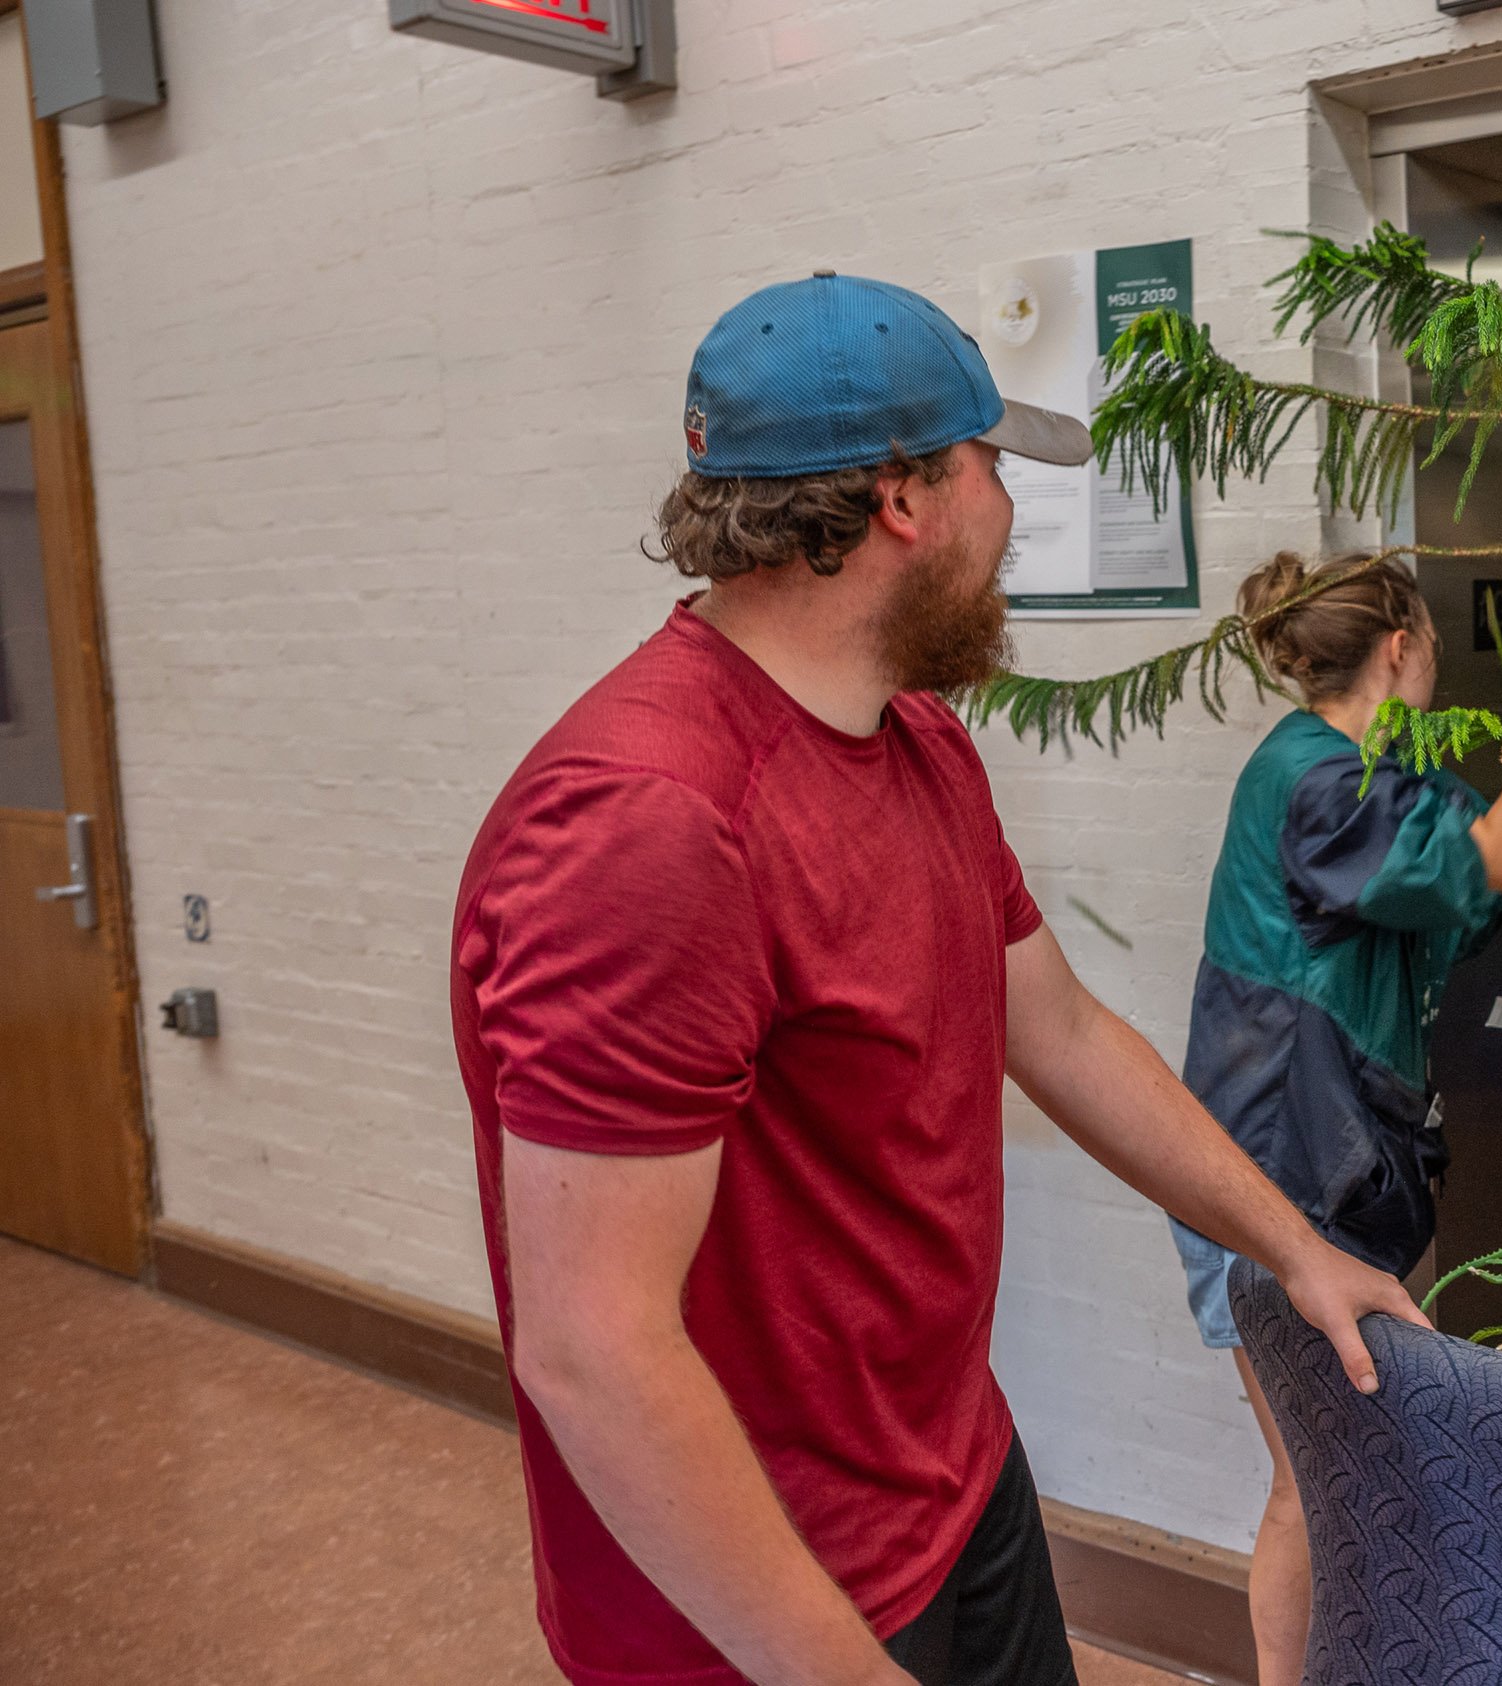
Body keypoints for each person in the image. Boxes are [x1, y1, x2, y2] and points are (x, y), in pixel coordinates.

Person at [451, 273, 1425, 1686]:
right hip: (762, 1599)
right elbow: (594, 1350)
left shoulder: (917, 739)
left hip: (952, 1476)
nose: (1011, 517)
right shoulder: (651, 821)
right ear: (906, 499)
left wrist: (1295, 1250)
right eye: (993, 473)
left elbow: (1066, 1031)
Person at [1172, 553, 1502, 1683]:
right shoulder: (1316, 782)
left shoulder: (1380, 781)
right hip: (1277, 1185)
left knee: (1377, 1466)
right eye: (1431, 643)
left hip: (1360, 1168)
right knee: (1318, 1482)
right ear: (1402, 646)